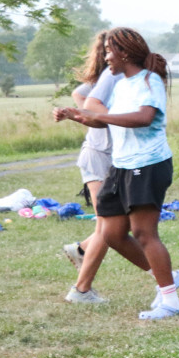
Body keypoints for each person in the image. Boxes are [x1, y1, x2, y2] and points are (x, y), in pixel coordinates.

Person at [53, 28, 179, 320]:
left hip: (149, 164)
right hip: (122, 164)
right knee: (112, 234)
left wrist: (98, 114)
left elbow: (143, 118)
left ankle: (171, 300)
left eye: (109, 52)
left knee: (143, 233)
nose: (105, 57)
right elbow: (109, 123)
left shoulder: (149, 81)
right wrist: (77, 115)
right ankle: (168, 278)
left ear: (125, 53)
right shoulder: (120, 84)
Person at [61, 32, 119, 303]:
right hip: (97, 156)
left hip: (119, 158)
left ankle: (81, 250)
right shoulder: (86, 90)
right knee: (108, 225)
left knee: (112, 225)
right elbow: (95, 120)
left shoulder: (129, 81)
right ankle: (81, 289)